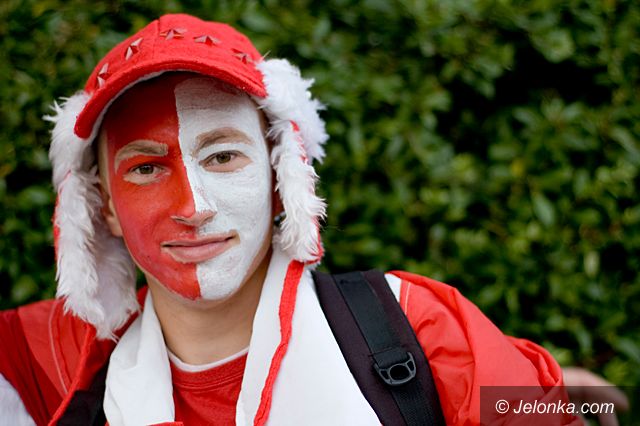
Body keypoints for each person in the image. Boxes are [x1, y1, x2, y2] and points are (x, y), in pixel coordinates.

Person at [0, 13, 622, 426]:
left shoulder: (415, 324)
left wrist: (541, 392)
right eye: (144, 168)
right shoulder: (56, 363)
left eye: (223, 156)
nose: (193, 206)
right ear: (103, 206)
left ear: (281, 177)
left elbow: (525, 407)